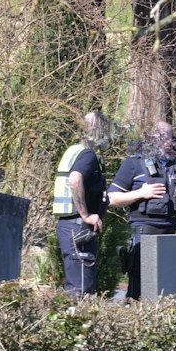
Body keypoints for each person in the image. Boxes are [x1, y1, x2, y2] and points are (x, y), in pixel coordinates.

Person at [108, 122, 176, 300]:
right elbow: (112, 198)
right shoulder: (134, 162)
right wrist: (141, 193)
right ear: (150, 138)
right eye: (159, 136)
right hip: (145, 232)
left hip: (175, 232)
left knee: (170, 289)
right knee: (141, 288)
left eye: (168, 137)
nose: (165, 141)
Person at [51, 111, 111, 294]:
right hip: (79, 226)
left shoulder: (74, 150)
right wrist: (86, 215)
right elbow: (75, 180)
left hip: (68, 225)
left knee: (76, 286)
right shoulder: (88, 155)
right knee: (81, 289)